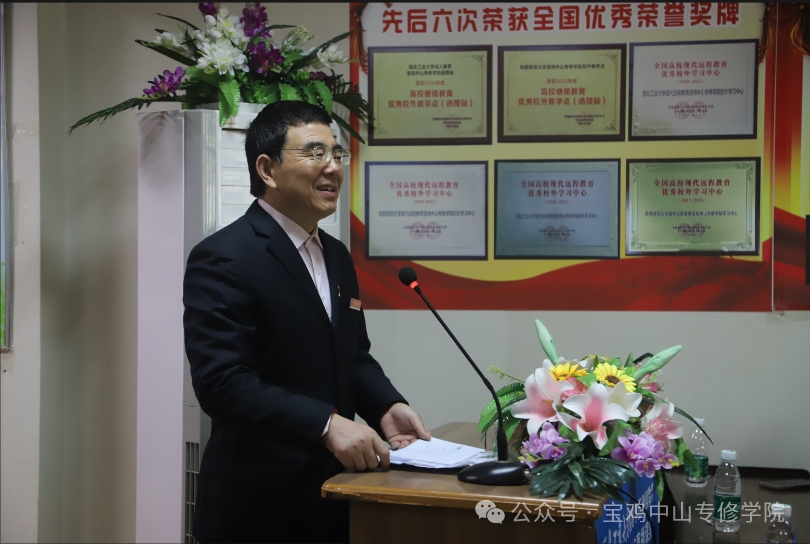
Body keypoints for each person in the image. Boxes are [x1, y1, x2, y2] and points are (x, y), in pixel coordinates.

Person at [183, 101, 430, 543]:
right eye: (315, 153)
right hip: (258, 505)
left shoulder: (335, 254)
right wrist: (326, 424)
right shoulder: (224, 256)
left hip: (334, 494)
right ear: (267, 169)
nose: (332, 167)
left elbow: (352, 355)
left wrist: (386, 407)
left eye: (337, 154)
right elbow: (221, 382)